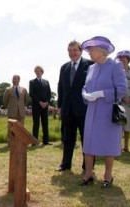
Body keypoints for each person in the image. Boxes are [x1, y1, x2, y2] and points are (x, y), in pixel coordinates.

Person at [79, 36, 127, 188]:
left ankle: (108, 176)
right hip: (92, 111)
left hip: (107, 111)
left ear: (101, 51)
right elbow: (85, 86)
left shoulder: (115, 66)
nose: (89, 53)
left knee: (108, 143)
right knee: (88, 143)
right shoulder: (91, 68)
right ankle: (87, 174)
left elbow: (122, 89)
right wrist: (85, 94)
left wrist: (101, 94)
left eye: (91, 50)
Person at [55, 40, 94, 172]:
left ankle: (87, 166)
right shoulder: (64, 67)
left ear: (81, 51)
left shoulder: (90, 65)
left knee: (86, 139)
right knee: (67, 138)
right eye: (70, 51)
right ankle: (65, 164)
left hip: (84, 108)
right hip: (67, 109)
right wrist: (59, 106)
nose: (72, 53)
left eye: (75, 50)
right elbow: (60, 87)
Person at [3, 75, 29, 146]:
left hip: (21, 112)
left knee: (21, 128)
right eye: (13, 79)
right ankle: (10, 142)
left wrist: (21, 106)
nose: (14, 80)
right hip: (12, 112)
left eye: (15, 79)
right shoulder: (8, 89)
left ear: (18, 80)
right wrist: (10, 107)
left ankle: (20, 141)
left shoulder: (24, 89)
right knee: (11, 128)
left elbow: (26, 100)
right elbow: (5, 101)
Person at [29, 65, 52, 145]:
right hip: (36, 106)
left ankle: (46, 141)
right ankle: (34, 141)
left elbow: (49, 93)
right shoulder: (32, 82)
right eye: (36, 71)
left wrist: (47, 102)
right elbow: (31, 94)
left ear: (42, 72)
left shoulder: (46, 82)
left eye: (39, 71)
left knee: (45, 123)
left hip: (45, 106)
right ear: (35, 72)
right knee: (36, 123)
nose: (38, 72)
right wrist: (40, 102)